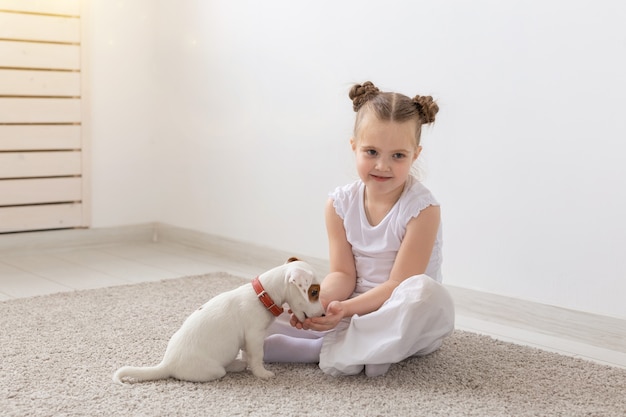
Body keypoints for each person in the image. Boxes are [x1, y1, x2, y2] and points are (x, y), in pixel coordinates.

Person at [264, 81, 455, 377]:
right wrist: (323, 303)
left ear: (415, 155)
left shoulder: (423, 209)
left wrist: (346, 310)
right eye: (371, 152)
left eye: (398, 156)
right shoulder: (339, 204)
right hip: (351, 304)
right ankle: (351, 344)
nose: (382, 165)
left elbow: (396, 285)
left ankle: (318, 350)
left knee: (426, 294)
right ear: (354, 146)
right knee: (277, 300)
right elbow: (343, 274)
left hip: (398, 310)